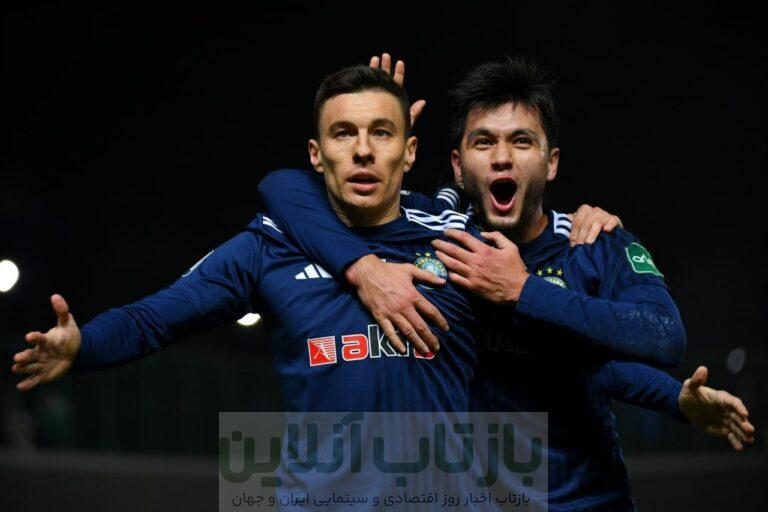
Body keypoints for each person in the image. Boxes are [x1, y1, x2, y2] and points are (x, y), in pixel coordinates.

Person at [254, 56, 755, 510]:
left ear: (551, 162)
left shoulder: (595, 242)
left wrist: (524, 290)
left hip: (590, 502)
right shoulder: (437, 241)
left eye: (521, 141)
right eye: (483, 142)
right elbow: (284, 186)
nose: (501, 158)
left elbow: (660, 338)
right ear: (458, 165)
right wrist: (379, 127)